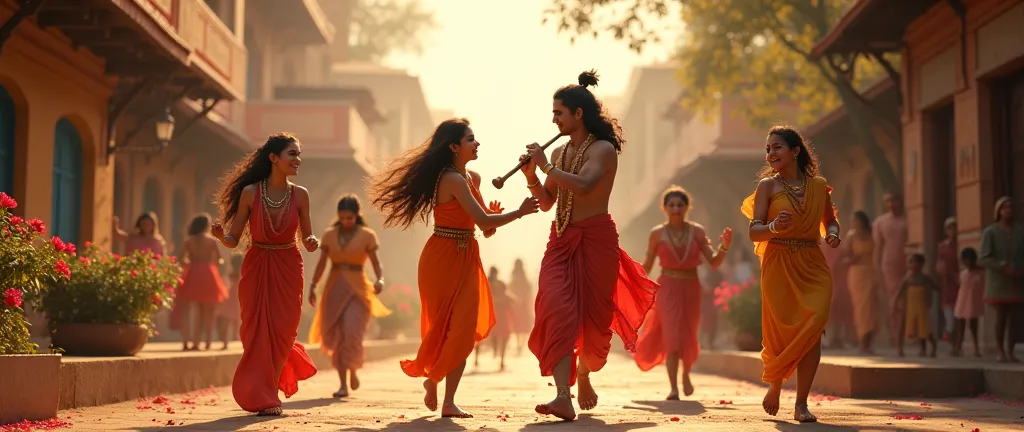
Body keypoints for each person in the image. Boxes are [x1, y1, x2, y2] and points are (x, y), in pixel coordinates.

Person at [369, 118, 539, 418]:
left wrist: (495, 217)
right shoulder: (451, 179)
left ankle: (446, 396)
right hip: (441, 259)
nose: (477, 144)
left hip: (467, 256)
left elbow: (485, 227)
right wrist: (519, 212)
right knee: (442, 329)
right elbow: (485, 222)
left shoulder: (471, 177)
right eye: (470, 139)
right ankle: (435, 381)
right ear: (453, 146)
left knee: (462, 330)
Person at [520, 70, 657, 421]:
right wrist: (532, 176)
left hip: (596, 240)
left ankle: (583, 373)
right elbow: (549, 201)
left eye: (558, 113)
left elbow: (584, 186)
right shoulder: (562, 151)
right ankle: (562, 395)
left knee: (596, 329)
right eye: (552, 114)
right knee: (555, 306)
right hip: (560, 240)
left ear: (578, 114)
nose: (554, 120)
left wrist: (546, 164)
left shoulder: (603, 149)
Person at [211, 132, 320, 416]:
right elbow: (234, 240)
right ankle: (267, 395)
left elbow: (307, 236)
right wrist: (222, 237)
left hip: (289, 265)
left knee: (284, 331)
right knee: (255, 330)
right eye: (292, 154)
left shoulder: (301, 194)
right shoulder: (250, 193)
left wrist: (311, 242)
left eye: (299, 154)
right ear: (274, 158)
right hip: (257, 265)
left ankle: (268, 388)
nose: (298, 160)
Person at [740, 125, 840, 423]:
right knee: (781, 332)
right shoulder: (767, 187)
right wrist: (772, 228)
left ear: (795, 151)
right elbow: (754, 231)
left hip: (812, 262)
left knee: (814, 329)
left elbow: (830, 220)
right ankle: (775, 385)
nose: (771, 153)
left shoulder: (819, 185)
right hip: (778, 262)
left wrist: (833, 233)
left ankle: (801, 404)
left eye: (777, 147)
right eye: (768, 149)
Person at [633, 186, 732, 400]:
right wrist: (630, 278)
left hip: (691, 286)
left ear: (687, 207)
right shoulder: (657, 234)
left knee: (688, 334)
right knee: (672, 336)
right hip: (667, 287)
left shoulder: (697, 231)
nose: (676, 209)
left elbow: (713, 263)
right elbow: (647, 266)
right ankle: (673, 387)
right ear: (664, 208)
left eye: (680, 205)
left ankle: (686, 374)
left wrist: (724, 247)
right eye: (672, 205)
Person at [308, 194, 391, 398]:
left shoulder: (367, 235)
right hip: (334, 287)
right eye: (342, 217)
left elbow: (376, 263)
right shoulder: (329, 235)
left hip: (358, 290)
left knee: (352, 332)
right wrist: (312, 285)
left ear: (357, 215)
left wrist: (380, 280)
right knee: (336, 336)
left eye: (350, 218)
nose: (346, 221)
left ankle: (353, 368)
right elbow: (321, 264)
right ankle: (343, 383)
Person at [172, 213, 229, 351]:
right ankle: (208, 341)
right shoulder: (211, 241)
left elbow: (180, 259)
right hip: (208, 274)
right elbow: (219, 259)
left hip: (193, 273)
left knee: (190, 309)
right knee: (208, 311)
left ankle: (189, 341)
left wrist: (190, 262)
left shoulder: (189, 241)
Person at [979, 196, 1023, 363]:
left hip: (1016, 280)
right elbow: (983, 258)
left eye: (1011, 207)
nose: (1008, 211)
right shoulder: (990, 232)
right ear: (998, 211)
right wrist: (1002, 265)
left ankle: (1011, 351)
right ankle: (1000, 350)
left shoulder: (1020, 231)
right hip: (998, 282)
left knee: (1014, 319)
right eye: (1004, 208)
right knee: (1001, 317)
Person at [873, 193, 908, 346]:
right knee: (893, 300)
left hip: (907, 264)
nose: (891, 204)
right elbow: (878, 247)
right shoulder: (880, 222)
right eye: (888, 201)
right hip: (889, 265)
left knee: (906, 299)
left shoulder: (907, 221)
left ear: (900, 202)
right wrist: (876, 268)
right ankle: (895, 335)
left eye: (894, 200)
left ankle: (904, 334)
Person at [843, 210, 878, 355]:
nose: (854, 223)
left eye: (856, 220)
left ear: (863, 221)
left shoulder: (872, 234)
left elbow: (877, 251)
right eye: (853, 221)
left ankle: (868, 342)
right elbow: (845, 254)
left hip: (870, 272)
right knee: (860, 308)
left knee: (871, 308)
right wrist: (853, 259)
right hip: (856, 274)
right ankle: (862, 343)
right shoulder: (851, 236)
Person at [894, 253, 939, 358]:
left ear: (921, 264)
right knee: (910, 327)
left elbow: (935, 288)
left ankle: (930, 347)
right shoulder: (907, 279)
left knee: (924, 329)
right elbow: (898, 293)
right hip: (909, 308)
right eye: (910, 262)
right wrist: (895, 304)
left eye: (915, 262)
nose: (912, 265)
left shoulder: (925, 279)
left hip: (922, 308)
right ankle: (900, 348)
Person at [953, 247, 984, 357]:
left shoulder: (981, 273)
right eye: (965, 260)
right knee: (960, 325)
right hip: (962, 300)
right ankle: (958, 346)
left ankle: (976, 347)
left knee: (973, 325)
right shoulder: (963, 273)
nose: (968, 263)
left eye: (971, 260)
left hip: (974, 301)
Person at [936, 217, 960, 346]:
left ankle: (957, 345)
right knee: (950, 320)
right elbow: (939, 265)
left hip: (959, 285)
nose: (953, 230)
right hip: (947, 286)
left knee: (959, 318)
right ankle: (951, 342)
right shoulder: (942, 247)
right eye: (950, 228)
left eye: (955, 227)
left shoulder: (960, 245)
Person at [216, 254, 243, 350]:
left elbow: (224, 285)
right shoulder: (243, 275)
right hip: (239, 301)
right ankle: (241, 342)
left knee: (226, 323)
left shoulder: (230, 276)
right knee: (239, 323)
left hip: (229, 301)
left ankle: (225, 343)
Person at [508, 259, 534, 355]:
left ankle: (519, 345)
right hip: (522, 304)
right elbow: (528, 290)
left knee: (519, 326)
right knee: (522, 326)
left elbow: (510, 288)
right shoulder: (522, 276)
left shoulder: (514, 275)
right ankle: (520, 346)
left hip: (518, 305)